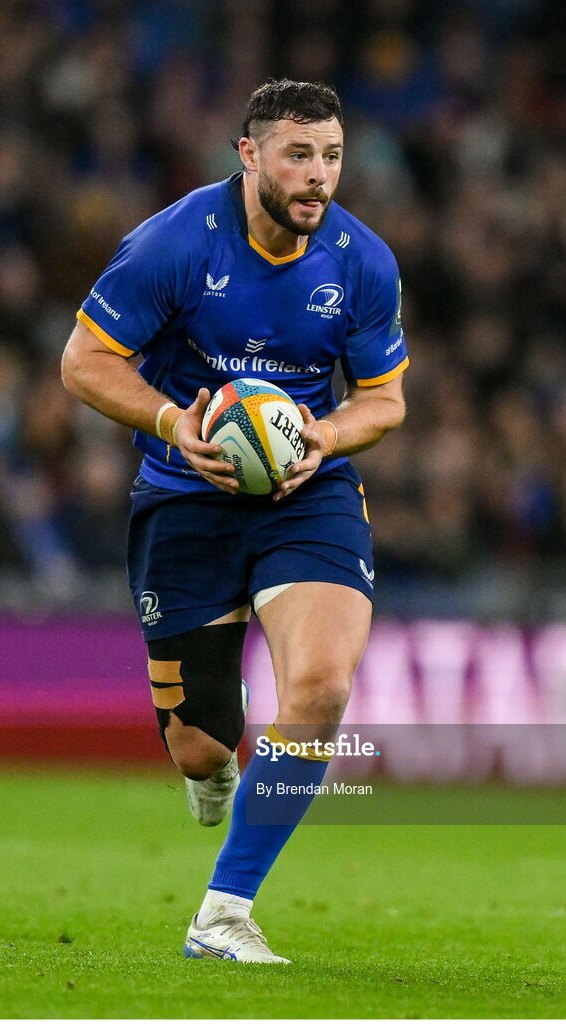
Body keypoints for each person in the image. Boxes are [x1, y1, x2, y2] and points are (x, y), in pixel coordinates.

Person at [61, 79, 408, 963]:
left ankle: (223, 913)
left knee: (323, 688)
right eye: (298, 154)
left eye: (331, 156)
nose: (317, 176)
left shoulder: (363, 260)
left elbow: (385, 401)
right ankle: (211, 752)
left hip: (307, 492)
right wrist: (176, 423)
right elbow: (84, 363)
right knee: (200, 749)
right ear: (248, 155)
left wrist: (323, 436)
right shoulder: (175, 243)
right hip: (186, 491)